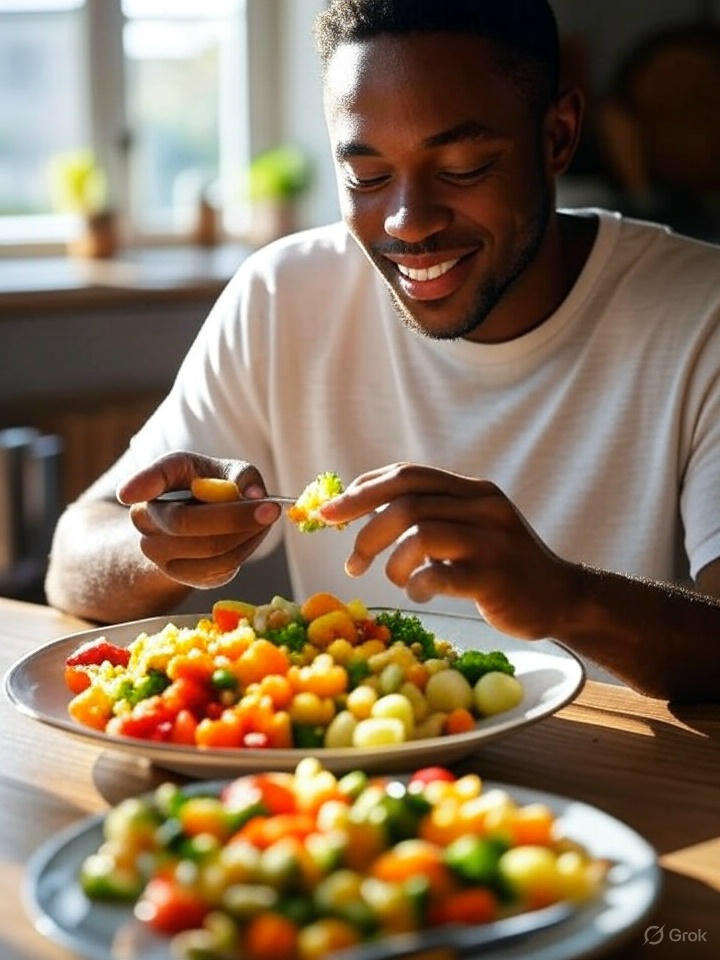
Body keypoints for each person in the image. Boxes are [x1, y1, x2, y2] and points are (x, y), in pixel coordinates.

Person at [45, 0, 720, 702]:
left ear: (557, 136)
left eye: (461, 166)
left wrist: (564, 598)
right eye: (366, 178)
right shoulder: (285, 295)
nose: (409, 223)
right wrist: (167, 547)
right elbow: (73, 560)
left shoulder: (702, 313)